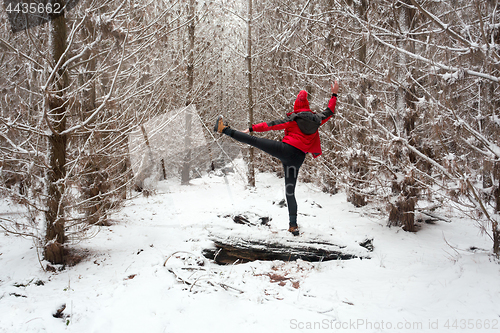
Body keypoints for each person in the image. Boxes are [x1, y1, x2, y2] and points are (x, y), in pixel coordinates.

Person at [214, 81, 339, 235]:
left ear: (296, 107)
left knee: (254, 141)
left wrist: (252, 128)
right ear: (307, 106)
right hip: (297, 159)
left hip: (285, 151)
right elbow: (330, 110)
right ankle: (293, 225)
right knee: (290, 192)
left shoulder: (293, 119)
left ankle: (224, 129)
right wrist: (334, 94)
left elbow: (271, 125)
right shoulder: (318, 119)